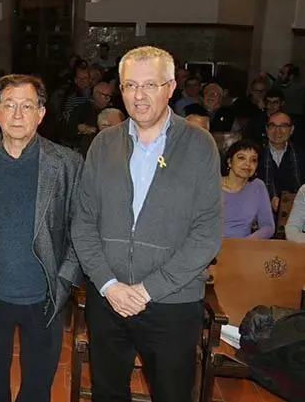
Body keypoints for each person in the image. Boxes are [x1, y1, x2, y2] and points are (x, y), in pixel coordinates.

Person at [72, 46, 222, 402]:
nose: (138, 96)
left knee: (171, 394)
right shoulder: (103, 143)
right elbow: (83, 222)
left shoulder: (200, 146)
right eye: (129, 86)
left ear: (171, 87)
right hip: (108, 298)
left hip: (172, 302)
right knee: (107, 393)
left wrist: (148, 289)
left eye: (150, 85)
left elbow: (207, 234)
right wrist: (108, 284)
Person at [0, 74, 83, 402]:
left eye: (27, 106)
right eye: (9, 106)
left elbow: (80, 228)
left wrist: (64, 280)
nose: (17, 115)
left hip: (44, 296)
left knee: (37, 387)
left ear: (41, 113)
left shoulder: (67, 163)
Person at [222, 140, 274, 238]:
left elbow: (268, 226)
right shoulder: (211, 186)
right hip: (212, 246)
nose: (248, 164)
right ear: (229, 162)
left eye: (253, 160)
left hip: (245, 246)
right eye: (242, 158)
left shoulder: (258, 186)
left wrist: (248, 241)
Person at [257, 111, 305, 214]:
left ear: (291, 129)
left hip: (297, 213)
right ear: (266, 129)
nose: (277, 131)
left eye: (283, 126)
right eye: (272, 126)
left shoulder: (301, 155)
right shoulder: (255, 154)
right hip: (261, 213)